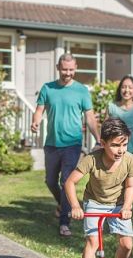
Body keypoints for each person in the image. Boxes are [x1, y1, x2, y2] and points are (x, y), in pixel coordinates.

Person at [65, 118, 133, 258]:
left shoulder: (129, 160)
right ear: (103, 143)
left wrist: (127, 207)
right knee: (93, 242)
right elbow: (70, 182)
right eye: (115, 146)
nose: (120, 150)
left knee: (127, 244)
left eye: (124, 145)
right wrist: (75, 206)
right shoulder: (92, 159)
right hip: (95, 201)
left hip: (119, 204)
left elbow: (130, 187)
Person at [31, 53, 100, 237]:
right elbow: (39, 110)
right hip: (52, 143)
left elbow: (90, 118)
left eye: (71, 69)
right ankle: (63, 204)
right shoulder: (48, 88)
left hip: (72, 144)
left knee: (66, 181)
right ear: (57, 67)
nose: (67, 73)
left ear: (75, 67)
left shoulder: (82, 91)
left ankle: (64, 222)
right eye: (64, 69)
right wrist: (35, 122)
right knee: (50, 181)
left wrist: (99, 139)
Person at [106, 75, 133, 166]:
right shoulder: (111, 107)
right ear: (120, 89)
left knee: (132, 178)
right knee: (117, 178)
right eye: (124, 87)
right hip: (116, 149)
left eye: (130, 87)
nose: (127, 90)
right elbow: (105, 127)